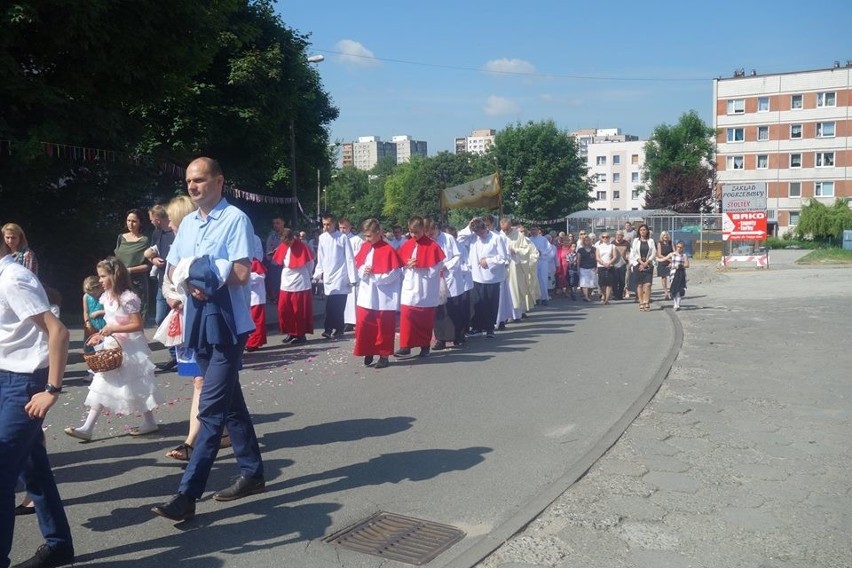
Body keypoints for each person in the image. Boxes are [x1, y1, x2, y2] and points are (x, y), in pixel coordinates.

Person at [152, 157, 264, 521]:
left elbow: (243, 272)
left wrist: (206, 276)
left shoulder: (235, 220)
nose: (193, 186)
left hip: (227, 325)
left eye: (199, 179)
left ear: (219, 181)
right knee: (231, 402)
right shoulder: (187, 226)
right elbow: (175, 268)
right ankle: (253, 472)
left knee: (211, 410)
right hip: (197, 322)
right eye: (188, 181)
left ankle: (187, 495)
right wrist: (190, 280)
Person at [0, 254, 74, 568]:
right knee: (33, 466)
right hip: (6, 377)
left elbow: (58, 331)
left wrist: (52, 390)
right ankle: (59, 545)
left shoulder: (13, 277)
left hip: (25, 383)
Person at [64, 257, 163, 441]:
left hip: (129, 349)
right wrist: (101, 335)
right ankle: (88, 427)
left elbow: (137, 324)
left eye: (103, 276)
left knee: (136, 384)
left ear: (114, 276)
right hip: (112, 346)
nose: (99, 280)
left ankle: (149, 421)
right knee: (101, 382)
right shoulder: (107, 297)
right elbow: (111, 321)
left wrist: (113, 330)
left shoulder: (128, 298)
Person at [353, 218, 403, 369]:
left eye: (369, 236)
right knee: (364, 323)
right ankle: (369, 349)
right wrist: (364, 271)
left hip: (383, 294)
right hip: (367, 293)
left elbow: (395, 273)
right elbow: (358, 265)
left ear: (378, 233)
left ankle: (383, 354)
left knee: (383, 325)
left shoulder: (388, 249)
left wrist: (377, 277)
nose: (367, 239)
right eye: (365, 236)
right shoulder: (364, 246)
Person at [394, 216, 445, 358]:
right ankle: (405, 346)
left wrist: (421, 265)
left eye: (416, 232)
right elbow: (400, 264)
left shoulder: (432, 246)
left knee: (424, 319)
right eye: (411, 232)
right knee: (407, 316)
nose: (414, 235)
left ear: (423, 229)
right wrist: (407, 265)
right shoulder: (407, 244)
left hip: (425, 288)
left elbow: (436, 268)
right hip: (410, 287)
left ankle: (424, 346)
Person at [457, 218, 509, 339]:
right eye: (477, 233)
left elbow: (503, 257)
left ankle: (490, 328)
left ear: (486, 228)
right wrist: (468, 227)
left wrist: (488, 261)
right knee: (477, 303)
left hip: (492, 277)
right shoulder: (473, 237)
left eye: (481, 232)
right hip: (476, 276)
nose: (480, 235)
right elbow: (459, 239)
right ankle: (477, 327)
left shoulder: (497, 238)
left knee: (490, 302)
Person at [312, 214, 356, 340]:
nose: (325, 227)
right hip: (329, 276)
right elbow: (321, 257)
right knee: (330, 304)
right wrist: (317, 274)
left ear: (334, 224)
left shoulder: (342, 238)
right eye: (324, 224)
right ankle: (329, 329)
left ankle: (338, 328)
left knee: (339, 305)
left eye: (328, 224)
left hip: (341, 276)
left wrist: (352, 278)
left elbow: (349, 258)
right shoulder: (322, 238)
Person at [146, 205, 177, 370]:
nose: (151, 222)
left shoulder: (174, 231)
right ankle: (174, 354)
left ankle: (183, 353)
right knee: (160, 319)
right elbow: (152, 252)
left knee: (178, 318)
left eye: (152, 219)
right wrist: (153, 260)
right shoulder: (157, 233)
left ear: (158, 218)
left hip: (175, 282)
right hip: (161, 280)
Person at [273, 228, 314, 346]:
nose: (288, 244)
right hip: (286, 280)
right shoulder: (283, 246)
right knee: (284, 309)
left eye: (289, 242)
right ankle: (290, 332)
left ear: (293, 238)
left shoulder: (302, 246)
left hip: (300, 280)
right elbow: (279, 261)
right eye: (285, 243)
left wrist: (309, 276)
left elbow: (310, 263)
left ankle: (300, 334)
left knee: (299, 310)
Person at [114, 209, 151, 321]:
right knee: (120, 310)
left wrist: (129, 270)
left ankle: (139, 336)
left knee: (138, 312)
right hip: (120, 280)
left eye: (134, 221)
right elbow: (116, 258)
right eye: (129, 220)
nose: (131, 224)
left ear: (140, 222)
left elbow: (148, 266)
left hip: (137, 281)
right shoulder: (121, 238)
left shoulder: (145, 240)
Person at [339, 218, 363, 332]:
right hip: (341, 272)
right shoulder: (337, 239)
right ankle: (343, 320)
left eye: (345, 228)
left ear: (350, 227)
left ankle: (352, 321)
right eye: (341, 227)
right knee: (343, 297)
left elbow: (360, 256)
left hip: (353, 272)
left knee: (352, 297)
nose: (342, 230)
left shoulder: (356, 240)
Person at [245, 235, 267, 352]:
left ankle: (254, 342)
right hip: (247, 296)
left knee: (256, 320)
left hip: (256, 296)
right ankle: (251, 341)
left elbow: (261, 276)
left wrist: (246, 278)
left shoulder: (255, 261)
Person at [630, 223, 656, 312]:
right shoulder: (636, 241)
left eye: (644, 230)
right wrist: (641, 263)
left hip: (648, 264)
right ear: (639, 232)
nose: (643, 231)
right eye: (641, 230)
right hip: (638, 265)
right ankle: (641, 302)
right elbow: (634, 253)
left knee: (648, 284)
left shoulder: (651, 241)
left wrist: (647, 262)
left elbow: (653, 253)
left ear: (647, 231)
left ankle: (647, 301)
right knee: (640, 285)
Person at [659, 240, 689, 310]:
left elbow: (687, 265)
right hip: (673, 273)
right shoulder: (672, 254)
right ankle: (675, 303)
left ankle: (677, 304)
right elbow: (663, 259)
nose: (679, 248)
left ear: (683, 248)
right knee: (674, 288)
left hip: (681, 273)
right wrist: (655, 258)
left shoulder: (684, 256)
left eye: (680, 247)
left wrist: (680, 266)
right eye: (677, 247)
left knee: (679, 289)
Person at [528, 226, 552, 305]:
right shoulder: (529, 240)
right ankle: (536, 298)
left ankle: (544, 298)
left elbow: (549, 249)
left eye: (534, 229)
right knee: (534, 279)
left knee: (543, 279)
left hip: (542, 261)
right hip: (532, 262)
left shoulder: (543, 239)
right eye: (532, 229)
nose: (533, 231)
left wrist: (541, 252)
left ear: (538, 230)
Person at [264, 216, 285, 302]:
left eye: (278, 223)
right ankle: (277, 299)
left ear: (283, 223)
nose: (275, 225)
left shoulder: (287, 236)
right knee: (275, 284)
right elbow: (268, 254)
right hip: (274, 265)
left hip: (286, 265)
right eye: (274, 223)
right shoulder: (271, 237)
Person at [82, 275, 106, 340]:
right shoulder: (86, 296)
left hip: (105, 325)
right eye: (90, 294)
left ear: (100, 288)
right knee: (91, 346)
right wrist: (87, 322)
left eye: (94, 294)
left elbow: (112, 311)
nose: (92, 296)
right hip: (92, 326)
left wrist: (99, 312)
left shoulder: (106, 295)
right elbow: (86, 311)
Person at [595, 232, 617, 304]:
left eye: (607, 237)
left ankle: (607, 299)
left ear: (609, 238)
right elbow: (597, 257)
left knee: (609, 283)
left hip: (610, 266)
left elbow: (615, 256)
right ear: (601, 238)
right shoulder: (599, 247)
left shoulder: (612, 246)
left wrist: (609, 263)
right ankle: (603, 295)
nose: (605, 238)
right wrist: (604, 263)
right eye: (603, 237)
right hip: (601, 266)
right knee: (602, 283)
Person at [577, 235, 597, 302]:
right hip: (583, 268)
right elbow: (578, 260)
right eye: (586, 240)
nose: (587, 241)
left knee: (592, 284)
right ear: (583, 241)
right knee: (584, 283)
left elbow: (596, 259)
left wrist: (596, 268)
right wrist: (578, 268)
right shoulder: (580, 250)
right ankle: (586, 296)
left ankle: (589, 295)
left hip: (592, 268)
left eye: (588, 240)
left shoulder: (594, 249)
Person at [611, 230, 630, 302]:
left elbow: (628, 253)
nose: (618, 236)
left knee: (622, 280)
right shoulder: (612, 243)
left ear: (622, 236)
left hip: (623, 263)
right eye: (617, 235)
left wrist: (629, 261)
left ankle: (620, 295)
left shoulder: (626, 243)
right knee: (615, 280)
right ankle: (615, 295)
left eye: (620, 235)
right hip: (614, 264)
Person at [656, 230, 674, 300]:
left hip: (670, 262)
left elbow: (674, 252)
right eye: (664, 235)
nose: (665, 236)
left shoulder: (671, 243)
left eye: (666, 235)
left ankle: (672, 291)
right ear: (662, 237)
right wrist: (667, 259)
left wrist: (671, 260)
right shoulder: (659, 243)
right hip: (663, 262)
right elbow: (659, 254)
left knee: (672, 278)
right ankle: (666, 293)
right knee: (664, 278)